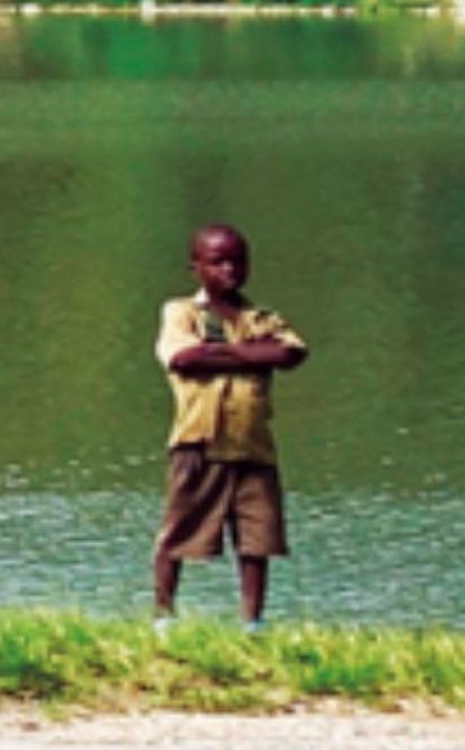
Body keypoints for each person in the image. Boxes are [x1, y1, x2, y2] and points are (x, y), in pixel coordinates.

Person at [152, 224, 308, 629]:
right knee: (179, 531)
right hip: (199, 441)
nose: (230, 270)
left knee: (257, 539)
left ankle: (252, 622)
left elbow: (291, 353)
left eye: (238, 261)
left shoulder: (261, 316)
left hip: (253, 446)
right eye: (218, 262)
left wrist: (219, 352)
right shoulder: (182, 312)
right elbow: (184, 359)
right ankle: (164, 616)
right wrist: (252, 354)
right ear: (196, 267)